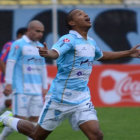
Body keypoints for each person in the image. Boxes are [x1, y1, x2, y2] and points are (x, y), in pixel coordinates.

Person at [0, 9, 140, 140]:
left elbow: (102, 55)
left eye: (85, 13)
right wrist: (47, 53)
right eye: (80, 14)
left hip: (81, 98)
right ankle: (7, 119)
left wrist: (128, 52)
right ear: (72, 23)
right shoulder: (68, 39)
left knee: (96, 135)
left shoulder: (90, 42)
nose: (85, 15)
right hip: (60, 97)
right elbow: (55, 52)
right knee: (36, 135)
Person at [0, 20, 48, 140]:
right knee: (20, 119)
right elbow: (10, 63)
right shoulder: (18, 44)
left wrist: (44, 86)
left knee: (35, 119)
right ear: (29, 30)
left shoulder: (41, 47)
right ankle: (3, 126)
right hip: (21, 88)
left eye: (42, 32)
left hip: (36, 89)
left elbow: (43, 68)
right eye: (37, 31)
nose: (40, 34)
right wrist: (8, 84)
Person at [0, 27, 27, 113]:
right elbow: (2, 61)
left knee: (10, 101)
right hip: (8, 80)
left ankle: (10, 124)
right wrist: (8, 77)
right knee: (9, 101)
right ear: (19, 35)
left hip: (19, 79)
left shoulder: (24, 46)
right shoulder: (10, 45)